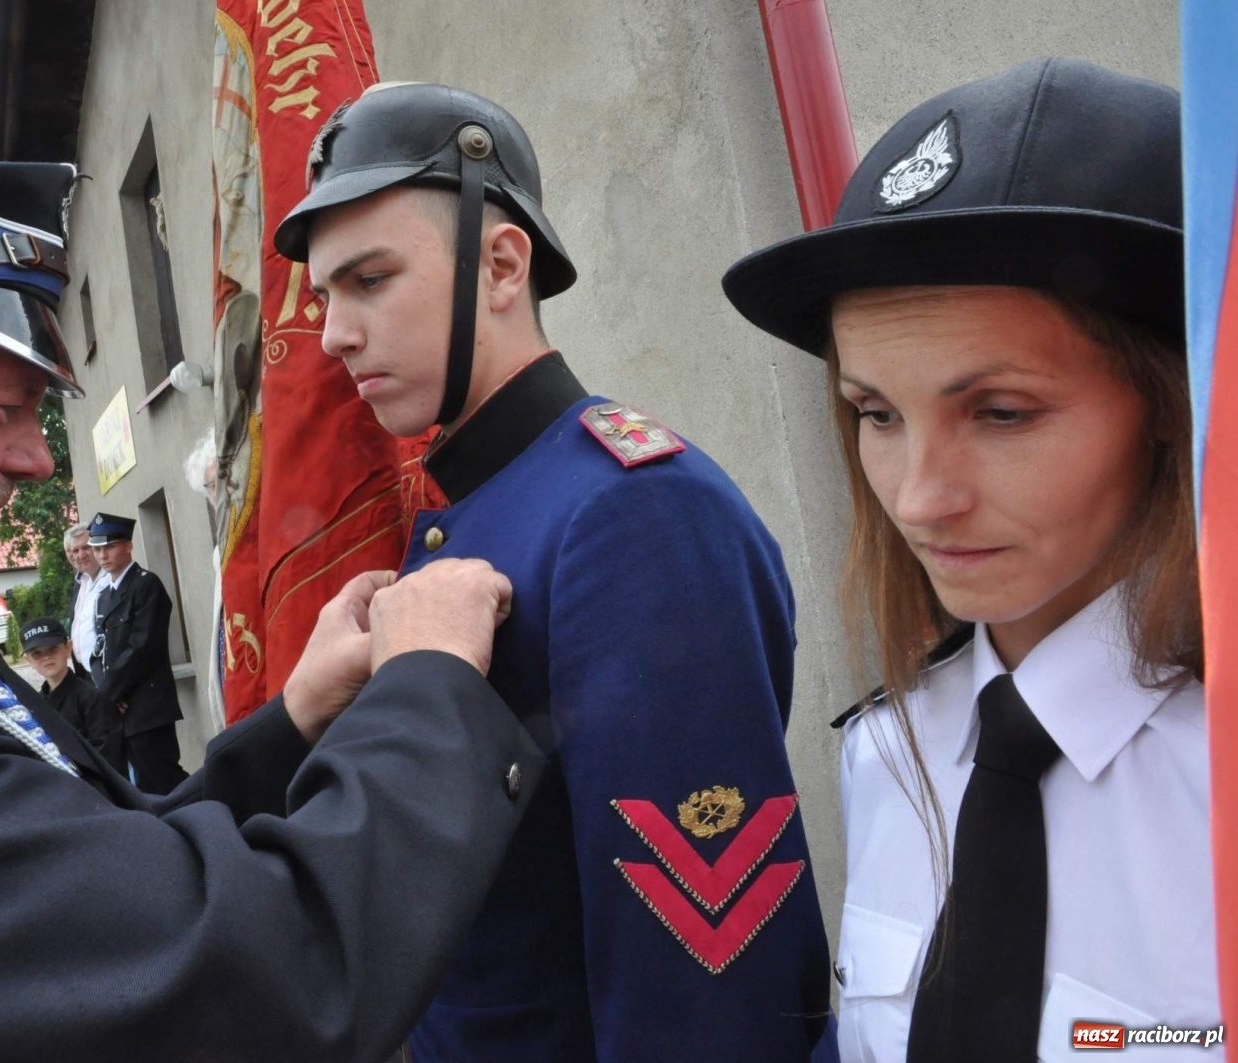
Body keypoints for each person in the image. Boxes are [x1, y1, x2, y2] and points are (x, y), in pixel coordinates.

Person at [0, 154, 549, 1063]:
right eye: (7, 406)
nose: (39, 459)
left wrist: (298, 718)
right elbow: (234, 983)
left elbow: (106, 876)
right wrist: (430, 685)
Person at [274, 83, 833, 1061]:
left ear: (499, 264)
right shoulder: (486, 505)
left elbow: (704, 959)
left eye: (369, 280)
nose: (333, 334)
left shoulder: (634, 510)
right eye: (325, 296)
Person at [722, 58, 1220, 1061]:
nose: (916, 496)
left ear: (1170, 402)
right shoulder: (886, 754)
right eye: (876, 414)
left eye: (999, 413)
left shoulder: (1218, 778)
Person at [86, 511, 188, 792]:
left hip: (147, 706)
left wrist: (110, 693)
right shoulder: (104, 596)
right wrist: (105, 692)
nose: (102, 555)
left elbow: (143, 647)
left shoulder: (146, 584)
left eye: (109, 546)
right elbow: (98, 650)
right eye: (97, 548)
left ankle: (209, 817)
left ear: (128, 546)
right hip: (120, 709)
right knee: (141, 787)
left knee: (164, 780)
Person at [20, 614, 127, 774]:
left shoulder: (92, 698)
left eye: (53, 648)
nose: (46, 657)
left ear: (68, 647)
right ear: (28, 660)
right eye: (37, 653)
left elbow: (108, 759)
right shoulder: (35, 705)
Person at [63, 521, 104, 675]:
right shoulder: (81, 583)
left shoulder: (111, 582)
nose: (80, 555)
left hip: (109, 676)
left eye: (86, 547)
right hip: (86, 675)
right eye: (74, 550)